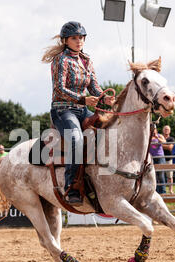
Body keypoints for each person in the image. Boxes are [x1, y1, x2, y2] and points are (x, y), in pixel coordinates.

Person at [42, 21, 115, 205]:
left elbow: (94, 87)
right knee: (77, 140)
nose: (79, 41)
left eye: (81, 37)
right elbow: (59, 89)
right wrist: (83, 99)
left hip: (82, 110)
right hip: (62, 110)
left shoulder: (87, 60)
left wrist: (104, 98)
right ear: (65, 40)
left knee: (108, 132)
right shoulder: (60, 59)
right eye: (74, 38)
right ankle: (71, 187)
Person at [150, 127, 167, 194]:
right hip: (152, 157)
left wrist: (157, 137)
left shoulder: (160, 136)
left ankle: (163, 191)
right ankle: (155, 191)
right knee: (154, 175)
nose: (153, 131)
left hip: (160, 157)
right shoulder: (149, 136)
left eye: (154, 130)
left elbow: (164, 142)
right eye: (152, 130)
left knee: (161, 175)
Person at [162, 125, 175, 194]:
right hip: (160, 159)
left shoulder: (171, 139)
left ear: (169, 131)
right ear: (163, 130)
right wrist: (166, 146)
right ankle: (161, 189)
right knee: (161, 175)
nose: (166, 130)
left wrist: (161, 145)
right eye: (165, 129)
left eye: (167, 129)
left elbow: (170, 147)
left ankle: (170, 190)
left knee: (170, 176)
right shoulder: (160, 137)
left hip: (168, 159)